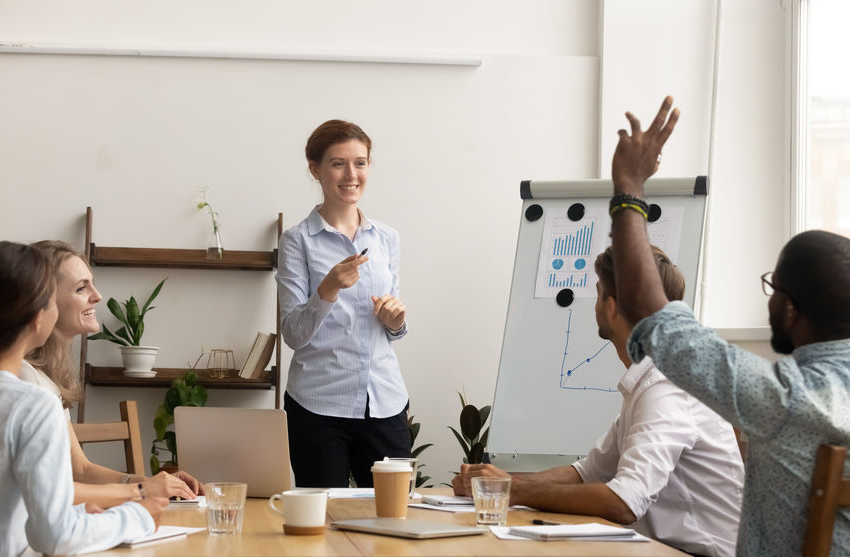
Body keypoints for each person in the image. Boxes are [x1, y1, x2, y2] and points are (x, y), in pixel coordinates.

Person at [607, 96, 850, 555]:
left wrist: (629, 187)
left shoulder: (785, 399)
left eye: (772, 289)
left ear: (792, 310)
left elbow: (648, 310)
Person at [454, 245, 744, 556]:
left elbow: (624, 502)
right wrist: (497, 483)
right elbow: (589, 471)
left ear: (612, 306)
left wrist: (513, 490)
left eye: (597, 292)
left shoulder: (667, 388)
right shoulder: (651, 380)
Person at [0, 241, 166, 557]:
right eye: (80, 288)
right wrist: (136, 514)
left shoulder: (27, 396)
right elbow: (55, 536)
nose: (96, 296)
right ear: (38, 317)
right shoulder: (29, 402)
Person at [277, 119, 411, 487]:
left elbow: (392, 329)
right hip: (318, 406)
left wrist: (395, 320)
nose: (351, 174)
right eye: (338, 163)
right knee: (320, 522)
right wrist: (328, 290)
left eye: (360, 162)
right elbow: (292, 334)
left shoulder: (387, 238)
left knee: (395, 517)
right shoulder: (297, 241)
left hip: (383, 400)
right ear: (315, 169)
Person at [20, 240, 203, 507]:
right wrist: (142, 490)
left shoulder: (45, 380)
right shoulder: (26, 382)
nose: (98, 296)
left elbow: (80, 469)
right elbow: (46, 492)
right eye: (81, 288)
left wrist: (154, 483)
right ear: (43, 301)